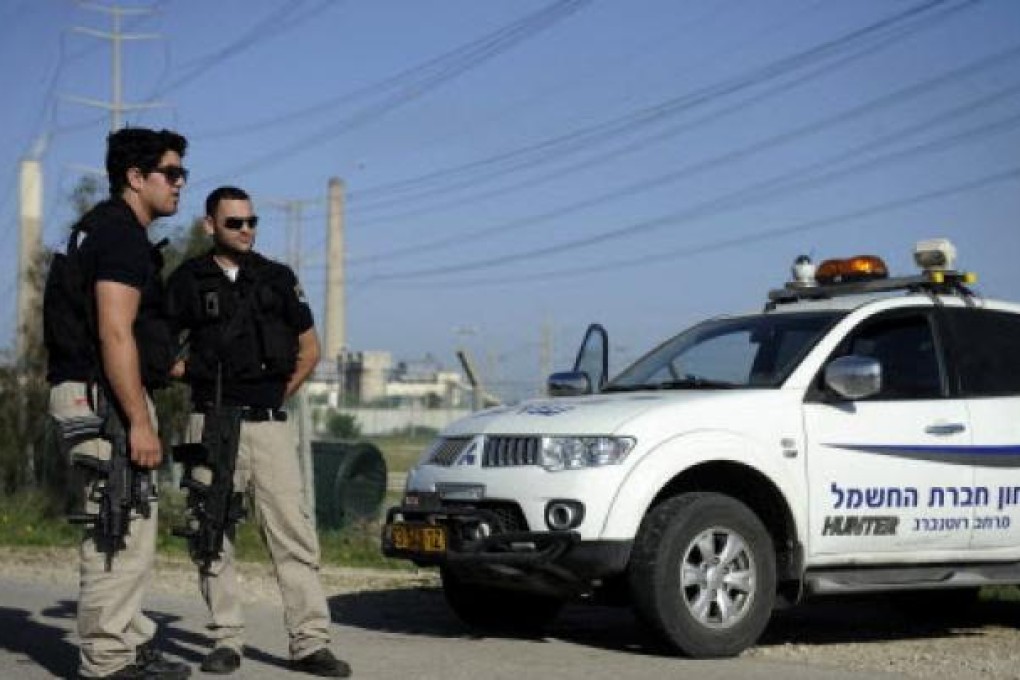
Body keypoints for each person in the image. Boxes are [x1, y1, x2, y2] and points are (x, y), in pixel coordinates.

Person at [165, 186, 350, 677]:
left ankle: (310, 642)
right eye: (234, 223)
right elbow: (158, 346)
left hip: (267, 426)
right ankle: (226, 639)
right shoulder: (188, 280)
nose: (246, 230)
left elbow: (310, 350)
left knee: (293, 535)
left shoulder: (277, 279)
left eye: (252, 222)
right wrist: (192, 374)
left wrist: (273, 397)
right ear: (210, 225)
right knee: (211, 532)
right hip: (209, 422)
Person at [44, 127, 191, 679]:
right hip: (105, 397)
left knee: (128, 522)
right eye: (170, 173)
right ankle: (107, 661)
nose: (179, 184)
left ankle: (128, 642)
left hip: (96, 391)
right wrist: (138, 422)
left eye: (182, 173)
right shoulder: (120, 236)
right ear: (135, 177)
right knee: (116, 527)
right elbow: (114, 332)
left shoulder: (100, 230)